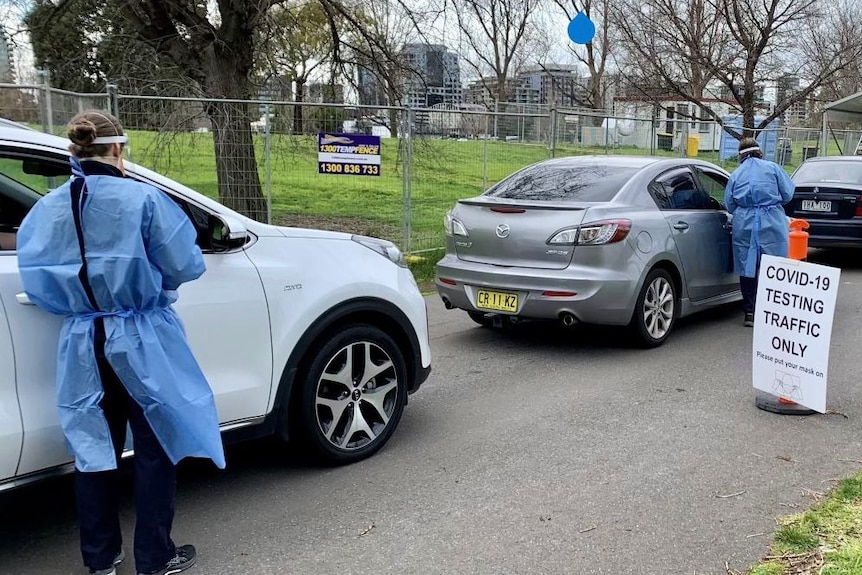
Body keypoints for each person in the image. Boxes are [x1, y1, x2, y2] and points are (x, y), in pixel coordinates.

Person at [16, 110, 226, 575]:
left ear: (76, 150)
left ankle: (100, 558)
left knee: (93, 446)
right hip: (139, 338)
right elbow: (184, 263)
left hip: (80, 340)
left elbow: (36, 280)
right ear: (117, 149)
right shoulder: (143, 200)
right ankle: (155, 557)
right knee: (155, 443)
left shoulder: (49, 208)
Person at [724, 137, 795, 327]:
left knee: (748, 268)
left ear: (740, 155)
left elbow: (729, 205)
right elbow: (788, 194)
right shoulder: (773, 168)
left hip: (745, 224)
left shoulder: (736, 175)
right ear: (759, 151)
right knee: (774, 267)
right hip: (771, 222)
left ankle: (750, 312)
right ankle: (771, 311)